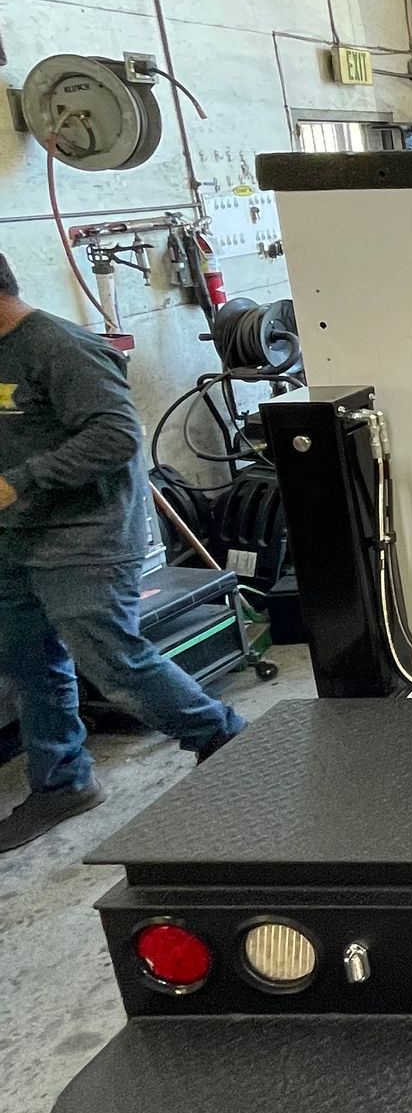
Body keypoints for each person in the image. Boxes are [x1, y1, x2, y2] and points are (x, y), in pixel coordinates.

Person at [0, 253, 244, 850]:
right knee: (32, 666)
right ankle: (62, 784)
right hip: (15, 539)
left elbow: (115, 436)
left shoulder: (60, 347)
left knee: (114, 664)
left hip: (84, 538)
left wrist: (21, 481)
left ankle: (226, 742)